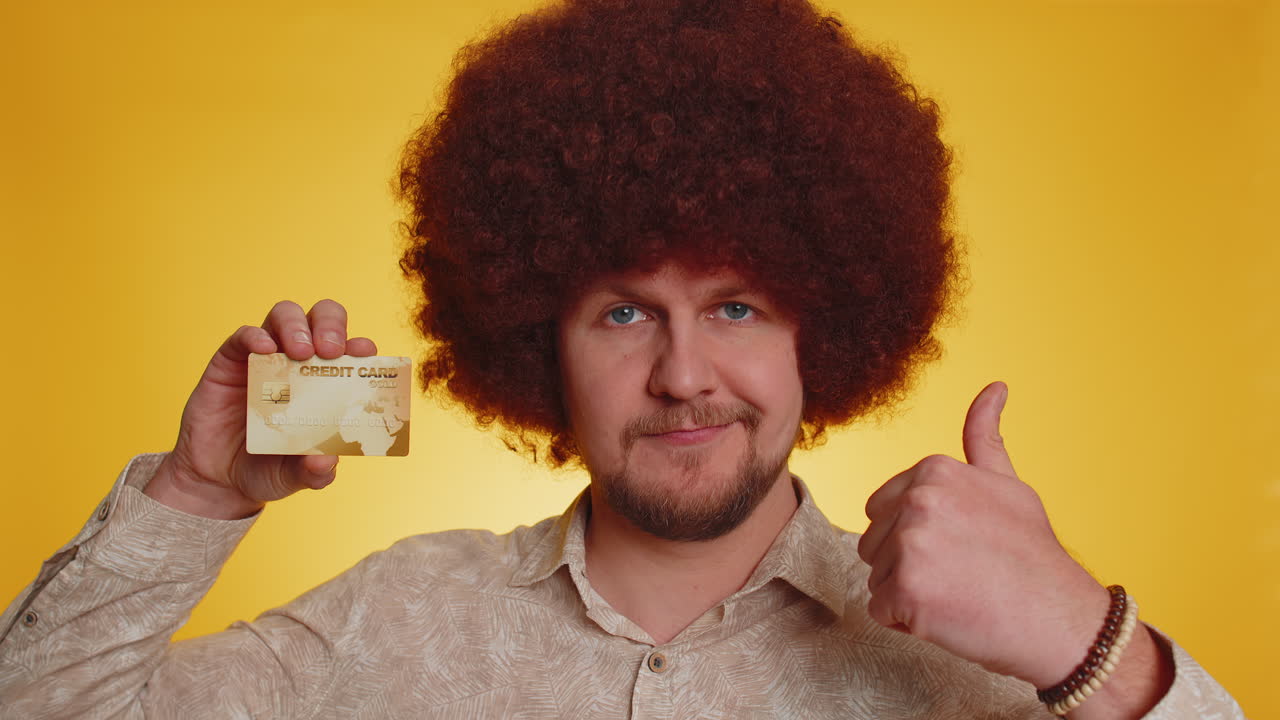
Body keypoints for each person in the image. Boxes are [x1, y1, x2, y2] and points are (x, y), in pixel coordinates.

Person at [0, 0, 1247, 717]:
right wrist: (199, 493)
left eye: (740, 307)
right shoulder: (397, 620)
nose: (685, 374)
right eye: (623, 313)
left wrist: (1091, 644)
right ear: (532, 337)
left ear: (828, 322)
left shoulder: (977, 638)